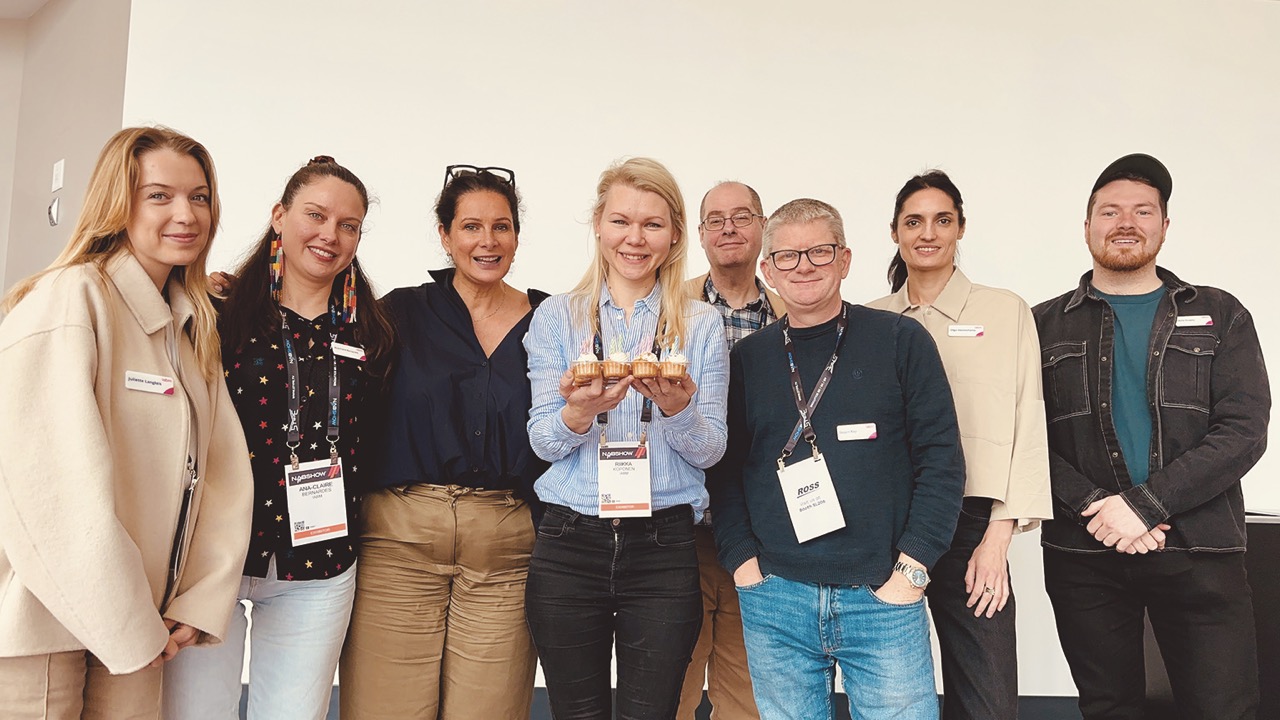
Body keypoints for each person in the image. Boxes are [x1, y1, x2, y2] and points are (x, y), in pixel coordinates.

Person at [0, 126, 253, 718]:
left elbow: (221, 475)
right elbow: (52, 494)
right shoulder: (70, 300)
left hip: (143, 629)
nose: (185, 214)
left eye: (199, 196)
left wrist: (198, 598)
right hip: (46, 623)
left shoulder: (191, 328)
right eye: (159, 195)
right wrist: (132, 626)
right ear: (119, 203)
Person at [1033, 153, 1270, 720]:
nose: (1125, 222)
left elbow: (1244, 430)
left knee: (1223, 709)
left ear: (1166, 225)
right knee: (1110, 707)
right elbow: (1023, 437)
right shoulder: (1040, 325)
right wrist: (1098, 507)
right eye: (1109, 211)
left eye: (1144, 211)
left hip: (1200, 547)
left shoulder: (1221, 313)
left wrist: (1144, 506)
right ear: (1086, 225)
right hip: (1083, 552)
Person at [708, 198, 964, 720]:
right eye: (787, 256)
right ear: (767, 269)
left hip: (881, 596)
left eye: (819, 252)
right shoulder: (748, 359)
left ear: (845, 260)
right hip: (776, 597)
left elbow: (942, 460)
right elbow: (725, 469)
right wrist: (743, 565)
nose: (803, 266)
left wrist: (911, 572)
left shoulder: (899, 340)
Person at [162, 156, 394, 719]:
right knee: (195, 713)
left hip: (320, 562)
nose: (329, 235)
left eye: (348, 225)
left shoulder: (375, 331)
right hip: (212, 555)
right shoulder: (213, 310)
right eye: (315, 215)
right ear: (279, 216)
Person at [338, 165, 548, 720]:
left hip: (505, 547)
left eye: (501, 227)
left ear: (517, 236)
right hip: (399, 537)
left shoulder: (553, 320)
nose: (487, 241)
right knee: (386, 709)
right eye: (471, 226)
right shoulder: (400, 312)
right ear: (444, 234)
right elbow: (318, 348)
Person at [524, 157, 729, 720]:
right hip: (568, 543)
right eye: (621, 221)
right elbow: (543, 441)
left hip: (663, 548)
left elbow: (711, 450)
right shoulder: (555, 317)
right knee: (577, 713)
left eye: (652, 224)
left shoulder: (701, 323)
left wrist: (675, 408)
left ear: (674, 234)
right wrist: (578, 413)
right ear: (597, 224)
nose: (634, 239)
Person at [866, 170, 1051, 720]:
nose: (929, 233)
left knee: (989, 698)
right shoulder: (870, 320)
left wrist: (999, 537)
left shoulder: (1006, 311)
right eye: (914, 221)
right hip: (890, 524)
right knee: (889, 695)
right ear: (895, 232)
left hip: (973, 526)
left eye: (942, 220)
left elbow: (1028, 421)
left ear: (961, 228)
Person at [678, 181, 783, 720]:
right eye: (715, 219)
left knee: (749, 696)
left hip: (764, 536)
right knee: (668, 684)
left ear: (762, 227)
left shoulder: (798, 311)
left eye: (741, 216)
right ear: (699, 234)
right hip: (680, 531)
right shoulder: (667, 306)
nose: (728, 228)